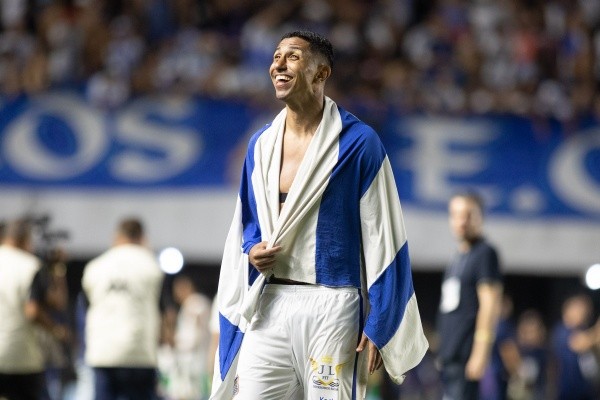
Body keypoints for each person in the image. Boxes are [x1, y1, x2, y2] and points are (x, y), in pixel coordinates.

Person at [210, 30, 428, 400]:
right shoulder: (260, 144)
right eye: (276, 56)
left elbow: (384, 234)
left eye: (292, 57)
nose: (278, 65)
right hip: (269, 302)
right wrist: (252, 250)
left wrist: (381, 319)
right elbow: (248, 221)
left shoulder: (358, 143)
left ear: (321, 73)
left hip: (333, 306)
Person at [81, 217, 164, 400]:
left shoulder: (95, 267)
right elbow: (162, 308)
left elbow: (87, 306)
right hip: (140, 352)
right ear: (142, 237)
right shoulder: (152, 266)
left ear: (116, 236)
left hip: (103, 351)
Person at [436, 192, 504, 400]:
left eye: (468, 214)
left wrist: (480, 352)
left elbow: (490, 304)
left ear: (480, 217)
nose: (461, 221)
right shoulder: (457, 258)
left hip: (467, 356)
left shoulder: (485, 253)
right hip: (451, 357)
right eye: (456, 214)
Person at [0, 218, 69, 400]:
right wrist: (58, 269)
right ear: (24, 239)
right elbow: (41, 308)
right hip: (19, 357)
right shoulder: (29, 265)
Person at [551, 293, 600, 400]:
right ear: (567, 311)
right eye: (578, 308)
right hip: (568, 393)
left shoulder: (584, 330)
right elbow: (579, 343)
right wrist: (596, 332)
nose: (584, 312)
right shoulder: (562, 331)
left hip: (588, 393)